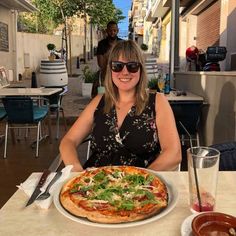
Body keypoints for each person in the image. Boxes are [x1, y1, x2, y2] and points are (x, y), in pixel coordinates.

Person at [60, 40, 182, 172]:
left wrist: (140, 179)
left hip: (143, 186)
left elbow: (174, 154)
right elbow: (68, 141)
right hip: (96, 184)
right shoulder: (99, 101)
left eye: (132, 66)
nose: (124, 72)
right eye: (117, 66)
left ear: (141, 69)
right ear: (110, 69)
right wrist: (76, 170)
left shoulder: (157, 101)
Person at [91, 21, 122, 98]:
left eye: (114, 30)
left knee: (119, 97)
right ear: (107, 31)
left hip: (120, 75)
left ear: (118, 30)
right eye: (110, 30)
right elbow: (101, 63)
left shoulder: (122, 43)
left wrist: (107, 57)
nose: (112, 32)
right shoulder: (102, 44)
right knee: (102, 97)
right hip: (105, 75)